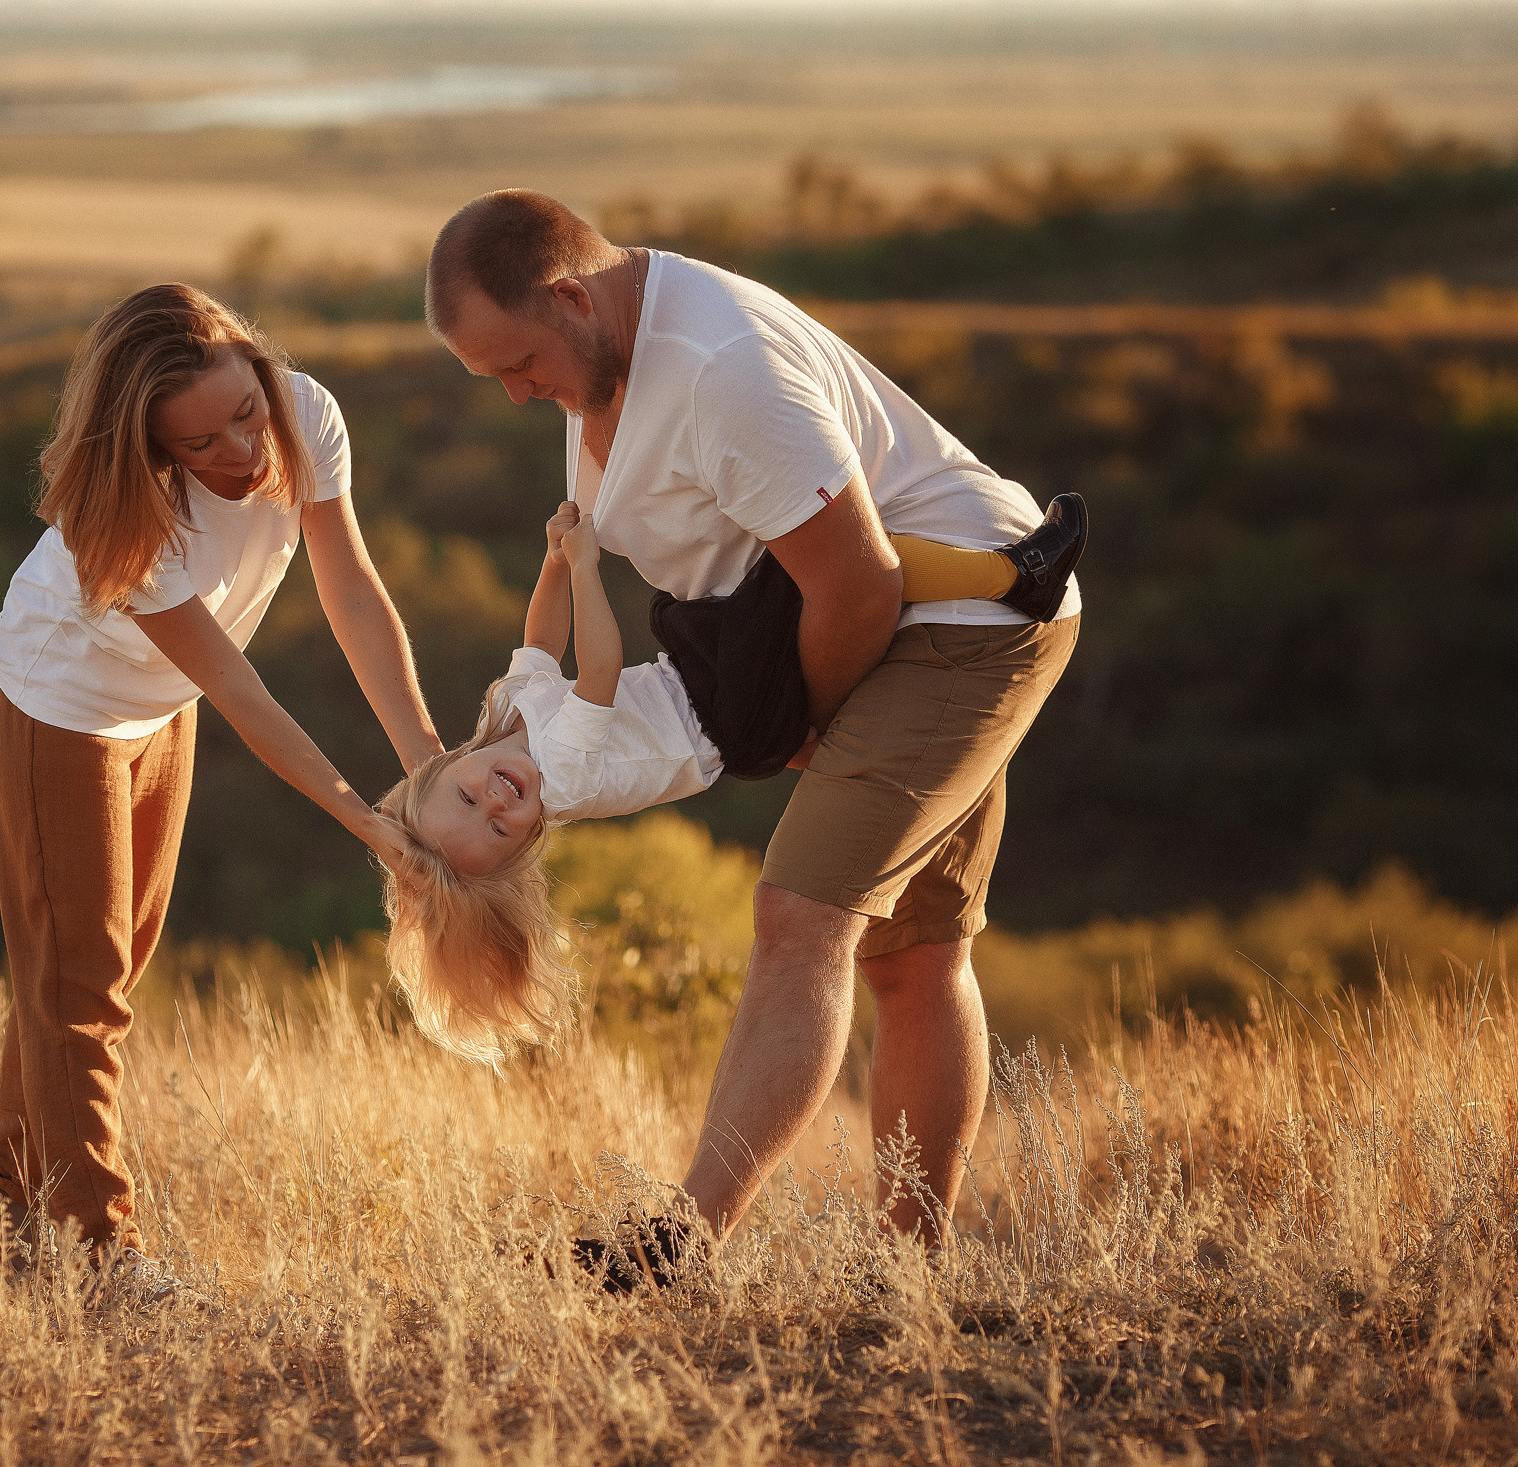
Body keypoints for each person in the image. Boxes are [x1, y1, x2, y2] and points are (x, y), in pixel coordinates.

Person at [423, 189, 1083, 1268]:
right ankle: (908, 1272)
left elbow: (860, 585)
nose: (515, 394)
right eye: (492, 376)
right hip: (838, 627)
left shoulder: (722, 371)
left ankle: (680, 1243)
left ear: (573, 297)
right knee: (916, 952)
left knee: (799, 920)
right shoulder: (609, 358)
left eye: (520, 364)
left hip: (948, 627)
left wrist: (794, 724)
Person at [0, 283, 439, 1292]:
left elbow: (352, 591)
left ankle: (3, 1183)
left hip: (158, 704)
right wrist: (365, 821)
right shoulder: (124, 516)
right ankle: (98, 1255)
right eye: (200, 443)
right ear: (150, 448)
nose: (242, 452)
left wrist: (427, 766)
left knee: (106, 961)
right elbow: (239, 689)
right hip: (61, 703)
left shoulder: (305, 413)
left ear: (261, 375)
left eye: (245, 415)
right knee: (80, 985)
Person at [373, 494, 1085, 1068]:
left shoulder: (503, 715)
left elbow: (538, 645)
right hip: (731, 715)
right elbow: (597, 667)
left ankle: (955, 614)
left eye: (468, 797)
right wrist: (586, 566)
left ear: (445, 764)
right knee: (821, 560)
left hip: (697, 676)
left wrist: (554, 561)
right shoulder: (560, 775)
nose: (497, 800)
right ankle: (1014, 577)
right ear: (528, 839)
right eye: (501, 828)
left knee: (772, 566)